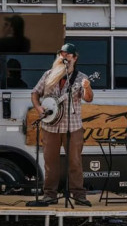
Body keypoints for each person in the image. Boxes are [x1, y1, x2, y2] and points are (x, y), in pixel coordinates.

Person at [30, 43, 94, 206]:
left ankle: (78, 195)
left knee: (75, 161)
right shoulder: (49, 75)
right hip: (50, 126)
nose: (63, 57)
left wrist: (87, 88)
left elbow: (88, 98)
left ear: (74, 58)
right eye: (62, 54)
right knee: (50, 162)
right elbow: (35, 93)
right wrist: (39, 108)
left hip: (72, 127)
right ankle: (49, 194)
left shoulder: (81, 78)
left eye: (67, 55)